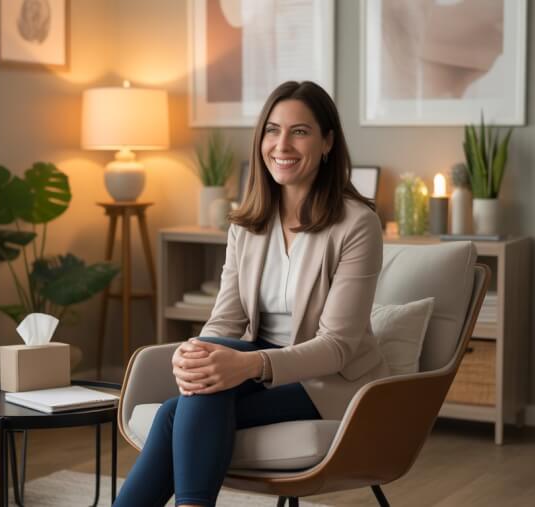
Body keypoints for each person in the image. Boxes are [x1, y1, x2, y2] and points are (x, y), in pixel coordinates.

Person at [114, 80, 387, 507]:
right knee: (203, 372)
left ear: (328, 142)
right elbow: (225, 320)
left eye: (300, 131)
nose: (283, 144)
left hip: (329, 380)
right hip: (258, 365)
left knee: (173, 415)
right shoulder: (246, 223)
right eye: (272, 130)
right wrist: (193, 351)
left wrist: (248, 364)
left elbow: (337, 346)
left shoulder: (357, 224)